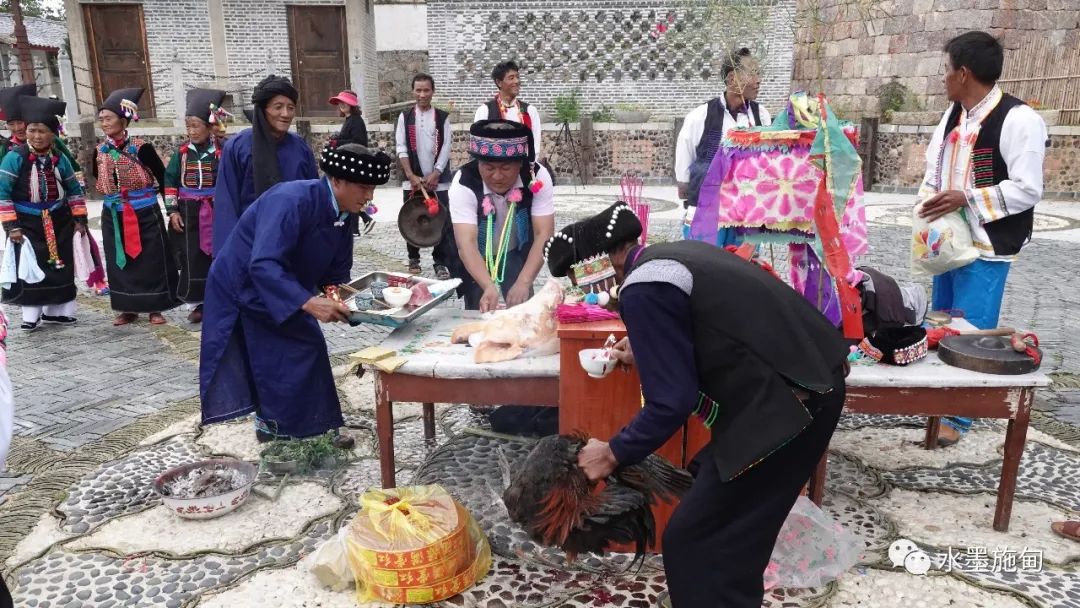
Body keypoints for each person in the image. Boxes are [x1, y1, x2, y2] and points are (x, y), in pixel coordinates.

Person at [548, 203, 849, 608]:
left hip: (791, 407)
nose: (579, 287)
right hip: (806, 387)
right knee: (725, 527)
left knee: (696, 540)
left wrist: (612, 453)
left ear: (596, 263)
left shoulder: (643, 287)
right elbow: (715, 324)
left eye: (576, 275)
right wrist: (647, 349)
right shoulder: (671, 256)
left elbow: (671, 401)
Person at [199, 142, 391, 445]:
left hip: (285, 284)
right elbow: (263, 264)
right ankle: (276, 431)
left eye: (373, 190)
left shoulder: (343, 213)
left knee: (307, 347)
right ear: (336, 181)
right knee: (274, 357)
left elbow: (336, 275)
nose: (369, 197)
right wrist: (309, 302)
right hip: (245, 284)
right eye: (364, 188)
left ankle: (315, 427)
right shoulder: (290, 200)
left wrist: (356, 305)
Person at [916, 31, 1047, 446]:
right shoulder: (954, 115)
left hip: (987, 243)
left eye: (947, 69)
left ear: (964, 73)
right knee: (942, 324)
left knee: (972, 331)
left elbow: (1028, 188)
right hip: (948, 241)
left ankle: (961, 416)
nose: (944, 78)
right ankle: (938, 408)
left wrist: (966, 197)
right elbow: (933, 168)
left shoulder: (1019, 119)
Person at [0, 96, 88, 331]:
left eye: (42, 131)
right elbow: (3, 194)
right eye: (32, 130)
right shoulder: (14, 158)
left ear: (53, 134)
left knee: (61, 266)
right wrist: (12, 226)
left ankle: (59, 312)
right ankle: (31, 315)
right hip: (26, 223)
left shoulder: (59, 160)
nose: (36, 136)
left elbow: (74, 190)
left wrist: (79, 220)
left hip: (60, 220)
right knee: (31, 267)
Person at [93, 87, 178, 326]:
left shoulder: (142, 148)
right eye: (101, 119)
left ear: (123, 120)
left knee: (150, 260)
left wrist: (172, 211)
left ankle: (155, 307)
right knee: (120, 259)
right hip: (113, 213)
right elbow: (96, 178)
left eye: (108, 118)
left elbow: (163, 180)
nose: (104, 123)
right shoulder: (99, 151)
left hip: (144, 211)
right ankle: (126, 307)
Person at [449, 119, 554, 311]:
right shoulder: (463, 182)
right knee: (478, 312)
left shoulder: (536, 177)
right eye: (489, 168)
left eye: (505, 168)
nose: (497, 176)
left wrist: (524, 281)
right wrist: (488, 286)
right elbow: (466, 245)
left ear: (519, 163)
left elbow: (544, 233)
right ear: (478, 163)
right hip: (477, 256)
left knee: (522, 311)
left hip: (516, 251)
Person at [675, 47, 771, 247]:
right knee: (705, 266)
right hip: (707, 213)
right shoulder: (700, 117)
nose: (758, 80)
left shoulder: (761, 115)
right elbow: (684, 180)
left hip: (747, 214)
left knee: (743, 270)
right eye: (752, 73)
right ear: (731, 79)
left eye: (758, 73)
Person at [213, 75, 317, 254]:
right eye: (278, 107)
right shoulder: (238, 147)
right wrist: (228, 255)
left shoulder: (300, 148)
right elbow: (226, 203)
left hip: (294, 242)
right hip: (250, 243)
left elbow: (314, 198)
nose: (285, 114)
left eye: (290, 108)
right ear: (262, 109)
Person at [164, 88, 229, 324]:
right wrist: (172, 212)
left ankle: (220, 299)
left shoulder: (222, 152)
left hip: (216, 211)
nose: (191, 131)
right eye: (188, 126)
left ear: (210, 127)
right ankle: (199, 303)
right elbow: (170, 182)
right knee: (193, 258)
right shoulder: (181, 154)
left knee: (218, 255)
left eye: (195, 126)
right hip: (189, 213)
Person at [395, 73, 454, 277]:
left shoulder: (443, 118)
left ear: (432, 91)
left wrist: (437, 172)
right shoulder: (405, 117)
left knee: (442, 219)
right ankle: (414, 259)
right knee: (411, 218)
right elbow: (401, 147)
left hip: (437, 181)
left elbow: (446, 147)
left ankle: (440, 262)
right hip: (413, 180)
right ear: (413, 91)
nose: (422, 94)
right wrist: (411, 175)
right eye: (418, 90)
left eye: (426, 90)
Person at [473, 61, 543, 159]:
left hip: (523, 168)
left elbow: (535, 146)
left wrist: (529, 167)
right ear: (499, 82)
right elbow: (479, 144)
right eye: (511, 78)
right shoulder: (485, 110)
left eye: (517, 77)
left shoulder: (529, 110)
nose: (517, 81)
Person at [329, 89, 374, 235]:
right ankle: (360, 223)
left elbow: (358, 142)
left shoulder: (356, 121)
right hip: (350, 162)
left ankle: (355, 228)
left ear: (351, 105)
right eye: (340, 103)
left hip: (355, 162)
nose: (342, 105)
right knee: (350, 195)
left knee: (351, 195)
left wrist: (337, 142)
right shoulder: (349, 120)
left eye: (345, 103)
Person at [0, 84, 36, 151]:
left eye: (20, 122)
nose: (17, 128)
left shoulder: (49, 141)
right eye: (11, 124)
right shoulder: (5, 148)